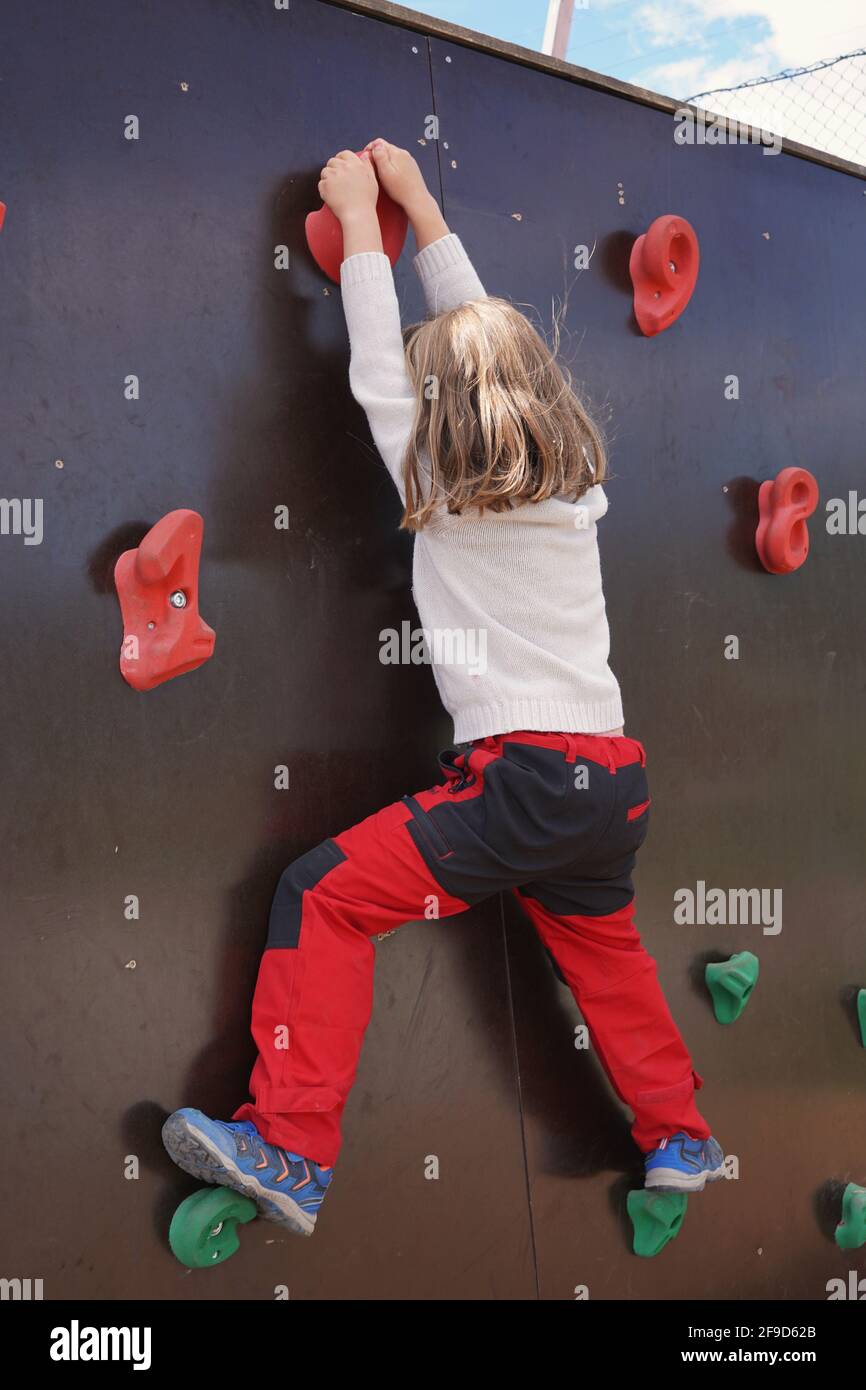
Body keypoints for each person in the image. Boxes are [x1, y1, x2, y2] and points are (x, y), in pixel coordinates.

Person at [162, 140, 724, 1237]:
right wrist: (416, 207)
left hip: (523, 783)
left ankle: (288, 1147)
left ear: (440, 413)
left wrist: (363, 229)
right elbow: (490, 349)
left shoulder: (439, 487)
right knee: (608, 963)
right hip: (609, 785)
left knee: (321, 895)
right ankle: (679, 1132)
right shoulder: (577, 496)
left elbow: (381, 363)